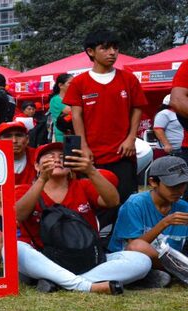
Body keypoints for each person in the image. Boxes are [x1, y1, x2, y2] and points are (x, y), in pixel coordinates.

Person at [15, 142, 151, 294]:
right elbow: (19, 215)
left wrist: (91, 171)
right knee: (14, 249)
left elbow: (112, 201)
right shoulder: (24, 189)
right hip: (45, 258)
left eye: (62, 156)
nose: (57, 160)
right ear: (36, 166)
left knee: (142, 261)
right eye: (50, 157)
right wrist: (42, 180)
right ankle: (86, 286)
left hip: (85, 258)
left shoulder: (83, 185)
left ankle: (58, 281)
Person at [63, 30, 147, 221]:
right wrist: (83, 146)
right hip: (91, 155)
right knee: (93, 202)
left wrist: (131, 138)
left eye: (115, 48)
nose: (112, 53)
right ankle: (94, 240)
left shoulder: (128, 79)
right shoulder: (79, 82)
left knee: (124, 201)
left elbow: (137, 109)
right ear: (91, 52)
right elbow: (76, 115)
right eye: (105, 48)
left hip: (123, 152)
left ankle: (120, 242)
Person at [108, 156, 188, 287]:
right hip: (128, 260)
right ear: (153, 182)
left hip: (168, 262)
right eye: (173, 186)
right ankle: (179, 273)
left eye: (183, 185)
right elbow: (133, 247)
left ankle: (173, 274)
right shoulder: (136, 203)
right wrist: (164, 223)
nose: (179, 191)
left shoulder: (183, 206)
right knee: (138, 246)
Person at [49, 73, 73, 142]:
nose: (73, 85)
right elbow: (71, 111)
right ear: (60, 85)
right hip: (62, 135)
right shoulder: (56, 99)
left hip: (73, 134)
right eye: (70, 83)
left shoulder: (73, 98)